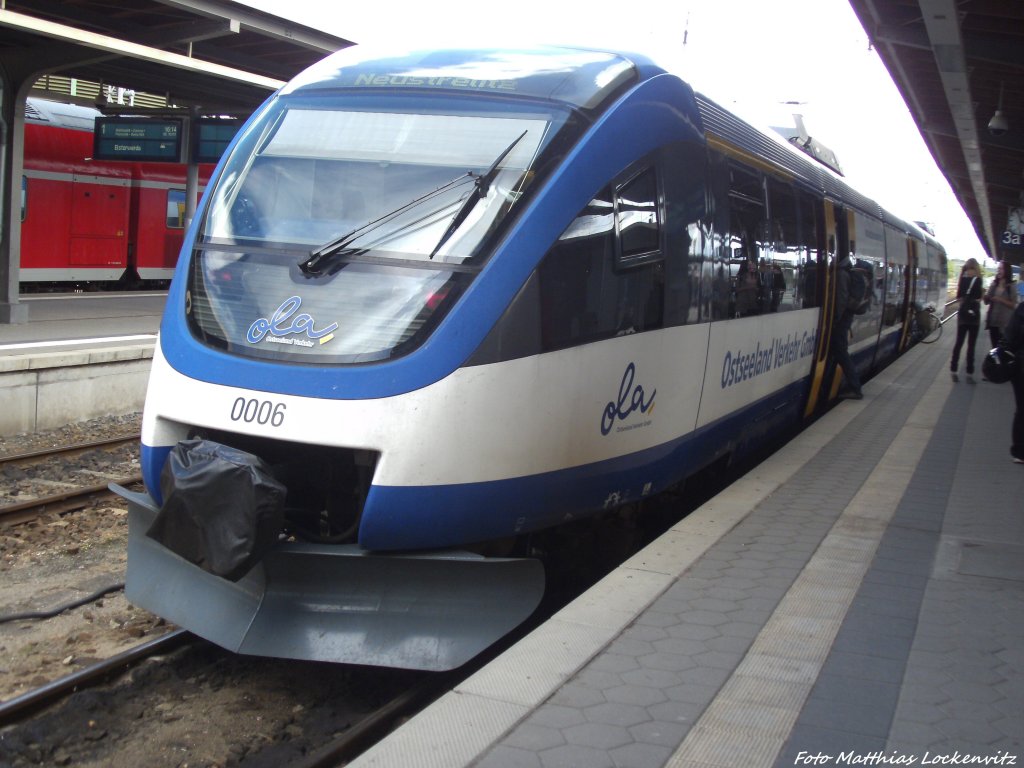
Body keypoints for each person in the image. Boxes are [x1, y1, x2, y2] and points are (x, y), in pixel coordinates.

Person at [832, 254, 862, 399]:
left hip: (842, 320)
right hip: (846, 319)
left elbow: (841, 298)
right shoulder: (848, 270)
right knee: (839, 352)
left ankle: (855, 388)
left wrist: (835, 320)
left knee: (841, 353)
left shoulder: (841, 274)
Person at [950, 258, 983, 382]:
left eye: (970, 269)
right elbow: (979, 298)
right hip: (974, 317)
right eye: (969, 269)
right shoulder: (978, 280)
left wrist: (965, 301)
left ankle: (953, 369)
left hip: (963, 316)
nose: (969, 271)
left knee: (959, 342)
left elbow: (959, 297)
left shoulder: (962, 280)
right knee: (971, 345)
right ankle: (969, 373)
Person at [999, 300, 1024, 464]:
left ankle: (1020, 451)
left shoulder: (1022, 309)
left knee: (1022, 409)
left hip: (1020, 366)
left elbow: (1009, 337)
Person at [983, 260, 1017, 349]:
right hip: (993, 322)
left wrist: (1000, 299)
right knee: (994, 348)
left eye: (1001, 269)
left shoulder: (1011, 286)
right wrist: (984, 296)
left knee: (1002, 349)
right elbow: (987, 302)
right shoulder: (994, 284)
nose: (999, 271)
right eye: (998, 268)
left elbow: (1014, 305)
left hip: (1005, 324)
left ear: (1007, 271)